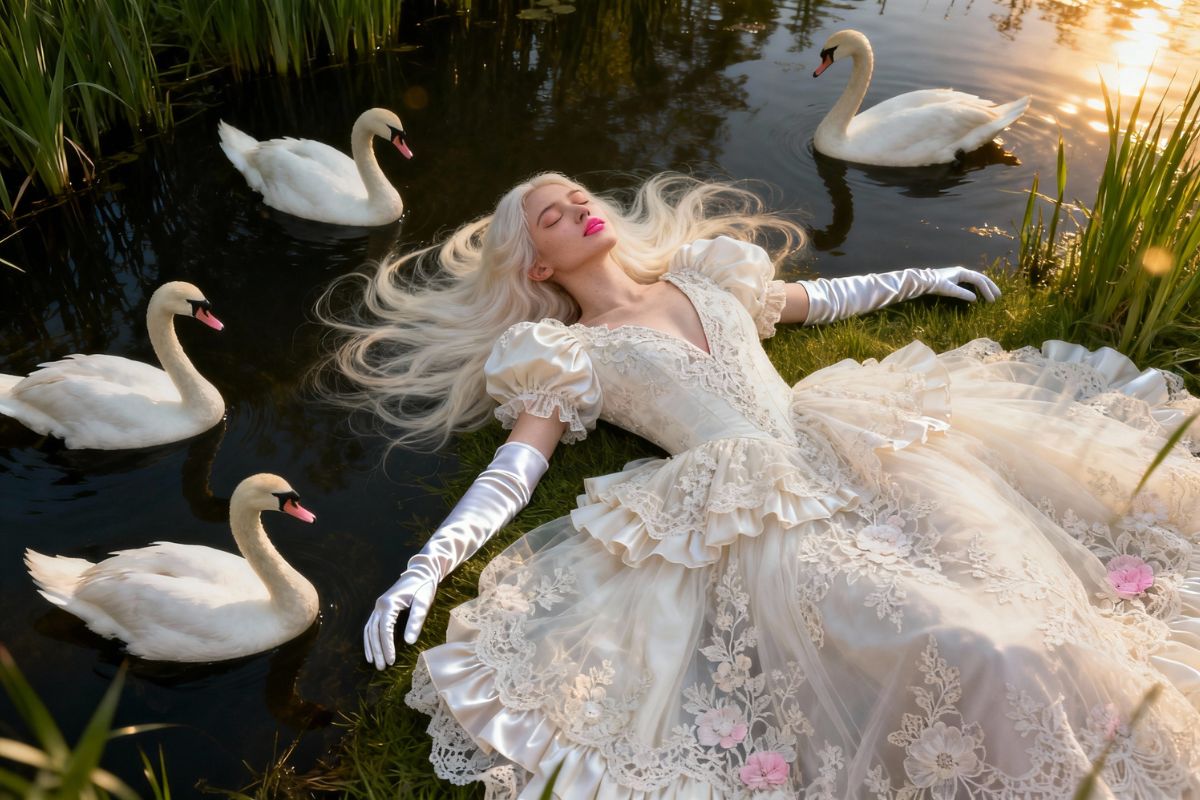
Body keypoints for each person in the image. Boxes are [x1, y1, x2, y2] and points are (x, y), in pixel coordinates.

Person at [327, 172, 1200, 799]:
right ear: (539, 268)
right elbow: (515, 469)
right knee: (974, 645)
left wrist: (919, 277)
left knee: (1030, 596)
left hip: (853, 436)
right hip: (756, 503)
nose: (580, 209)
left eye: (579, 196)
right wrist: (429, 563)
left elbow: (816, 302)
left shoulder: (707, 277)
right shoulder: (571, 356)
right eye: (554, 216)